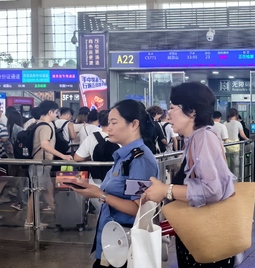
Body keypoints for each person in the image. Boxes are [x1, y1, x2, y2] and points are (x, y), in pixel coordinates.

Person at [143, 82, 238, 268]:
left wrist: (167, 190)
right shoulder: (195, 138)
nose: (168, 114)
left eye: (172, 108)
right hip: (199, 238)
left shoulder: (204, 138)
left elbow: (212, 190)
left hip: (207, 241)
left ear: (192, 111)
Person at [70, 100, 159, 268]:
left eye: (113, 122)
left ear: (134, 124)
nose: (108, 127)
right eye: (108, 122)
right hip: (112, 240)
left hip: (125, 243)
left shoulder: (140, 160)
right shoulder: (124, 157)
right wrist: (93, 190)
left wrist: (100, 195)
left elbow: (136, 208)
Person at [26, 101, 74, 228]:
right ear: (50, 112)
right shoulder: (45, 126)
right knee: (36, 193)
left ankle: (59, 216)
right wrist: (63, 156)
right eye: (56, 112)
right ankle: (30, 221)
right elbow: (44, 145)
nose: (57, 115)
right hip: (40, 164)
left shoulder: (36, 124)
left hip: (42, 165)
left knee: (47, 191)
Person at [225, 108, 249, 177]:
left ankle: (228, 179)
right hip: (235, 146)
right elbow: (242, 135)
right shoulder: (238, 123)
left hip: (227, 145)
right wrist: (247, 139)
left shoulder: (225, 123)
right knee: (235, 165)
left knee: (227, 164)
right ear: (236, 115)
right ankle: (236, 180)